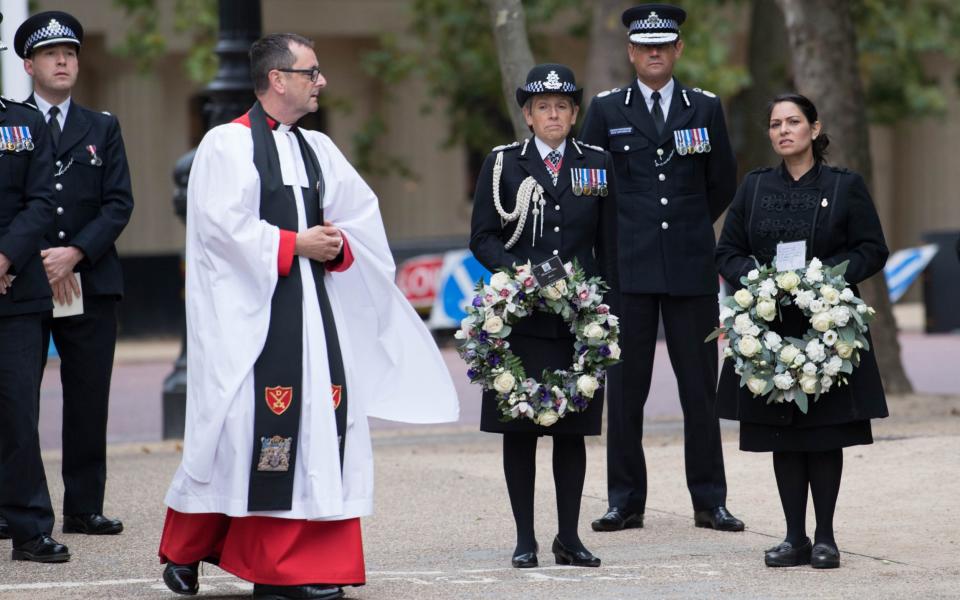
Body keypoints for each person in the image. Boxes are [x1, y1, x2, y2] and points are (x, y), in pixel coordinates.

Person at [156, 33, 458, 600]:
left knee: (319, 431)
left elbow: (360, 218)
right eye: (310, 72)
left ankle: (297, 566)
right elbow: (221, 231)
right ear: (277, 79)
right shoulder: (226, 144)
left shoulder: (318, 149)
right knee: (240, 432)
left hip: (315, 320)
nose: (321, 82)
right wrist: (296, 244)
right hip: (256, 320)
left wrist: (337, 245)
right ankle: (192, 548)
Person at [578, 3, 743, 532]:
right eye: (644, 45)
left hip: (690, 270)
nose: (654, 52)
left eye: (663, 44)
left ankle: (709, 501)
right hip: (628, 271)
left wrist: (692, 229)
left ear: (678, 50)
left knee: (701, 391)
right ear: (630, 51)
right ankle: (625, 501)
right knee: (626, 392)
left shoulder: (705, 108)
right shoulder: (605, 110)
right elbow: (593, 189)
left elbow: (721, 183)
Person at [715, 93, 889, 569]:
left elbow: (872, 249)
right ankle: (793, 537)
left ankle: (825, 537)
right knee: (783, 435)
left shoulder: (844, 185)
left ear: (814, 129)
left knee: (823, 432)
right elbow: (727, 251)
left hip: (828, 327)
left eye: (793, 122)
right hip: (769, 329)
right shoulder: (753, 188)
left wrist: (825, 276)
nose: (784, 130)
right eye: (775, 124)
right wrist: (755, 279)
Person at [470, 63, 618, 568]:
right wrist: (525, 276)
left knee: (572, 430)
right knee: (520, 429)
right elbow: (484, 237)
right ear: (528, 116)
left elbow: (610, 240)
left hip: (578, 321)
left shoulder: (597, 161)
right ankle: (525, 538)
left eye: (562, 107)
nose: (552, 115)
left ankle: (569, 537)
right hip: (521, 320)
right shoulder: (503, 164)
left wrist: (605, 304)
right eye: (542, 108)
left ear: (574, 114)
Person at [13, 10, 132, 537]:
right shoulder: (11, 126)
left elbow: (118, 203)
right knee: (17, 400)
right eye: (50, 54)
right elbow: (10, 202)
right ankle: (15, 505)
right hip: (25, 281)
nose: (63, 61)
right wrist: (38, 257)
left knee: (88, 396)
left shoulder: (102, 126)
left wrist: (76, 253)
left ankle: (84, 507)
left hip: (91, 279)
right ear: (28, 64)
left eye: (70, 53)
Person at [0, 13, 68, 562]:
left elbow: (41, 201)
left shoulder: (21, 124)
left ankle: (29, 528)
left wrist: (3, 255)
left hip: (15, 295)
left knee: (18, 414)